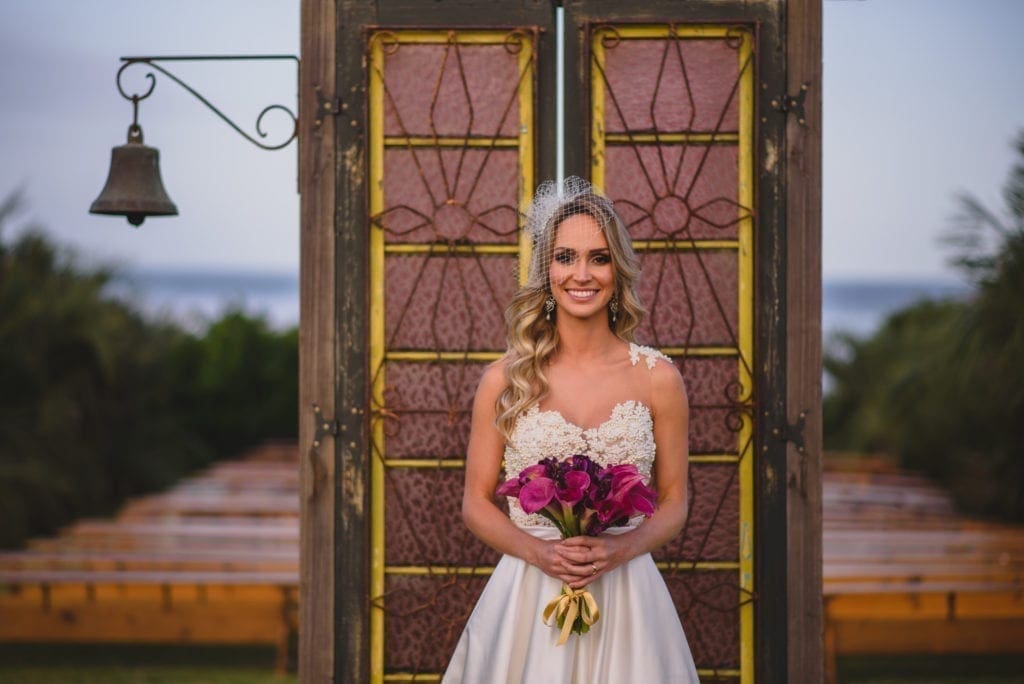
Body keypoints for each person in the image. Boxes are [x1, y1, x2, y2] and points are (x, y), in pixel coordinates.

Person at [442, 177, 699, 683]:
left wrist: (619, 549)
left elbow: (674, 502)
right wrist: (541, 552)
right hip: (529, 593)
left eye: (598, 258)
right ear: (547, 269)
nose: (582, 274)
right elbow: (475, 502)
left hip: (628, 595)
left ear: (617, 270)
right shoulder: (504, 380)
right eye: (566, 257)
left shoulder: (659, 379)